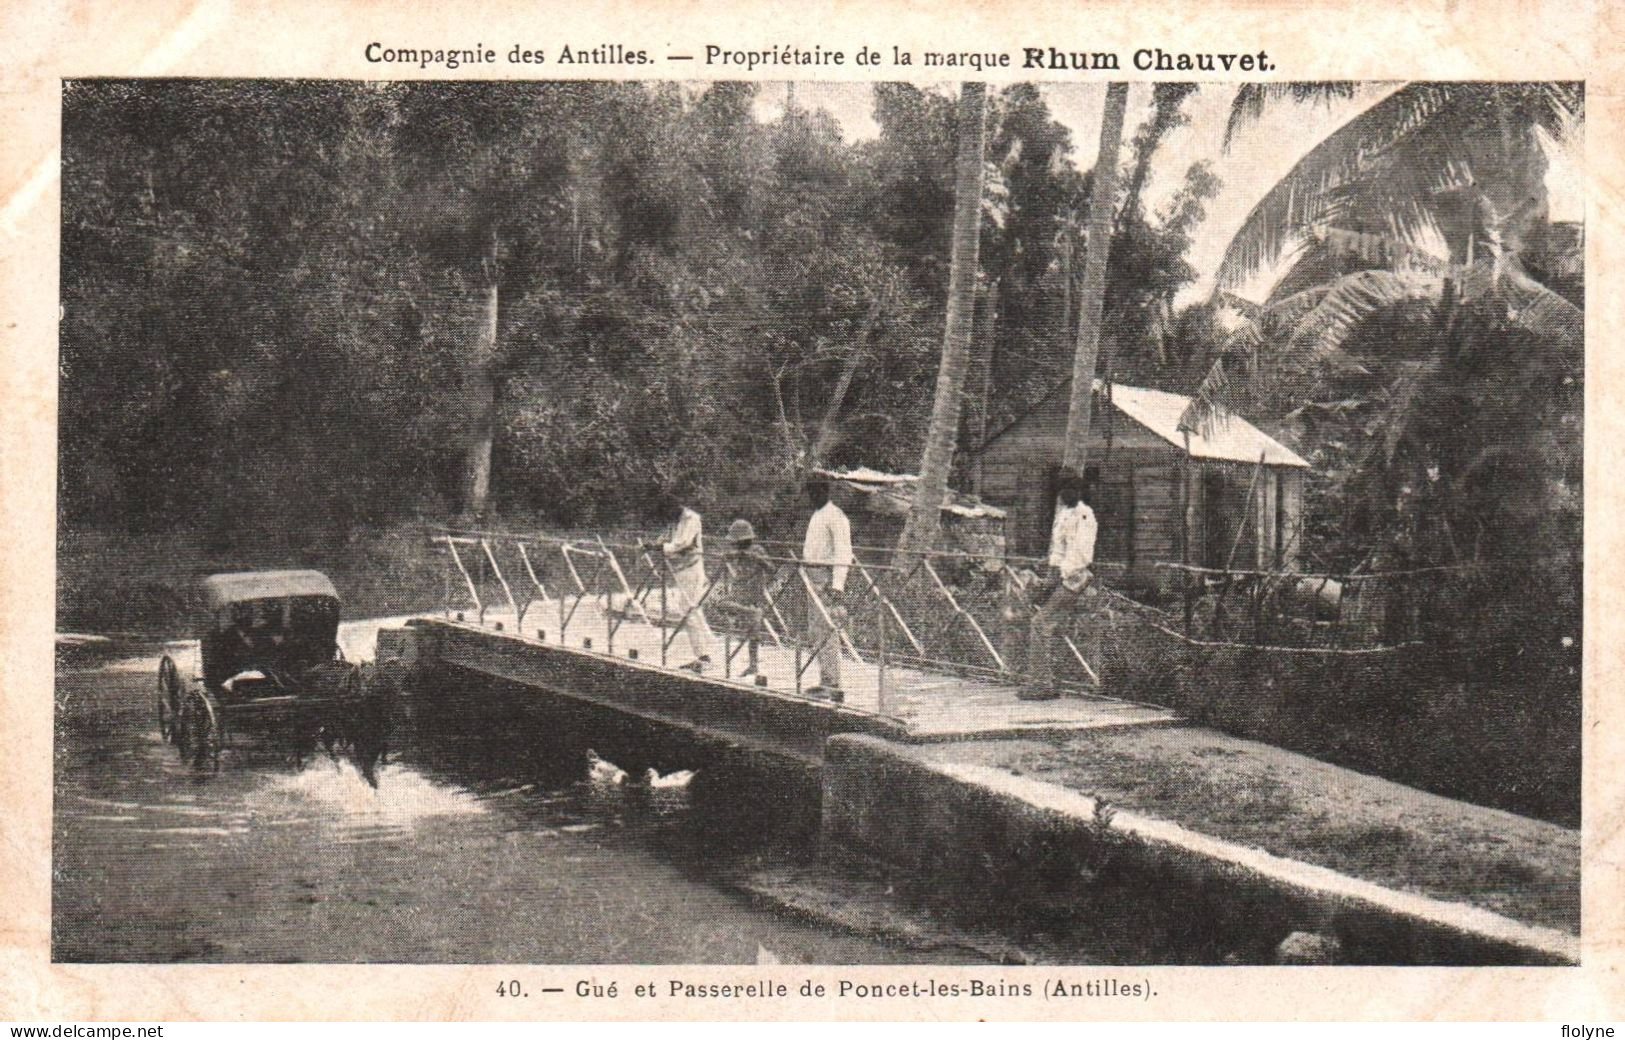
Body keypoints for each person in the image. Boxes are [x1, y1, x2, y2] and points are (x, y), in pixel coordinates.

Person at [1021, 474, 1097, 700]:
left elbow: (1081, 554)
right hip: (1061, 575)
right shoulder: (1063, 515)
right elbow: (1058, 549)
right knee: (1034, 615)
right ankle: (1044, 679)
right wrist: (1051, 575)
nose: (1066, 494)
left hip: (1076, 577)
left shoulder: (1084, 515)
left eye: (1071, 489)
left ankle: (1041, 683)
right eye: (1063, 490)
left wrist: (1062, 574)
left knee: (1040, 623)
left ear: (1079, 492)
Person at [644, 498, 717, 672]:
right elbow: (667, 538)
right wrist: (653, 545)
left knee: (688, 609)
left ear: (677, 507)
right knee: (691, 609)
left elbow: (682, 543)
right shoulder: (674, 521)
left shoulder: (691, 519)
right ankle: (708, 646)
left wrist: (660, 548)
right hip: (681, 569)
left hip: (691, 569)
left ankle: (704, 656)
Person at [800, 477, 854, 700]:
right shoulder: (818, 515)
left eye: (815, 493)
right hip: (812, 574)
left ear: (824, 492)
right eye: (809, 494)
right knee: (816, 628)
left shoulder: (836, 516)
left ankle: (833, 682)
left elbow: (843, 551)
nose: (811, 498)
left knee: (827, 627)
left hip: (824, 576)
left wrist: (837, 585)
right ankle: (825, 679)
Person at [713, 519, 783, 678]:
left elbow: (772, 569)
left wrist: (757, 558)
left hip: (751, 591)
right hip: (738, 591)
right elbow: (725, 557)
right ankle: (752, 664)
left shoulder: (757, 549)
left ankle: (753, 664)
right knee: (722, 604)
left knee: (752, 627)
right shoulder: (736, 551)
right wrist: (731, 555)